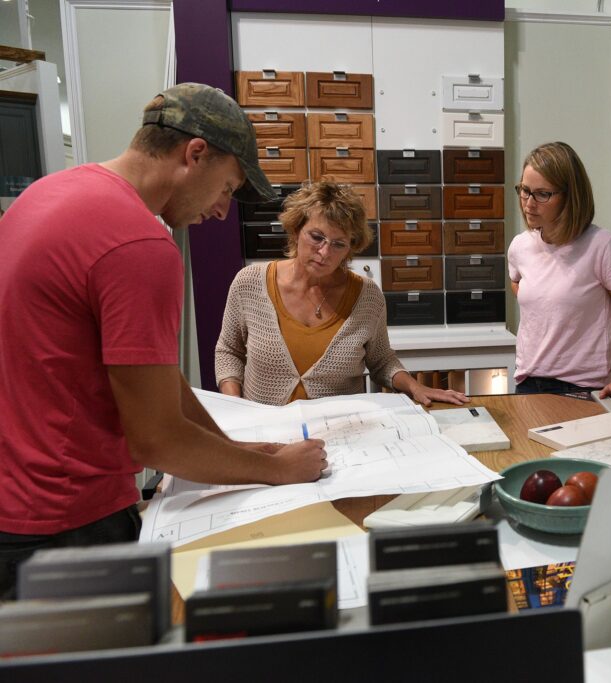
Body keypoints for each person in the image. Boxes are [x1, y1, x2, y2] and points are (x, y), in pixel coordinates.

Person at [0, 83, 328, 599]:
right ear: (194, 154)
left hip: (15, 499)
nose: (222, 211)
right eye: (226, 187)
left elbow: (150, 376)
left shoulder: (50, 194)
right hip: (67, 522)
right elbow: (155, 440)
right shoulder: (138, 243)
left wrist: (228, 447)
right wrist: (275, 470)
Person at [215, 180, 467, 407]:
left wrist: (415, 386)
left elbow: (381, 361)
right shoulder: (249, 283)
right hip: (266, 431)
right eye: (317, 237)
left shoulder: (367, 296)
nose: (325, 253)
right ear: (295, 230)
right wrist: (236, 406)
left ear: (350, 249)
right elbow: (229, 351)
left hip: (340, 434)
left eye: (338, 244)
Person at [507, 141, 611, 405]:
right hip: (528, 383)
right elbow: (519, 285)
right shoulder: (520, 246)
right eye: (524, 190)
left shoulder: (603, 246)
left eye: (542, 194)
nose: (529, 203)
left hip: (583, 388)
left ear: (570, 196)